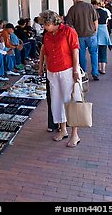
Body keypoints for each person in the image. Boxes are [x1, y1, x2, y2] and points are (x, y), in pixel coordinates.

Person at [38, 10, 82, 148]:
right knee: (57, 102)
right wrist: (41, 66)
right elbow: (44, 52)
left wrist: (75, 70)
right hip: (52, 71)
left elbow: (75, 50)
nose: (43, 27)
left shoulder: (68, 31)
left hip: (67, 70)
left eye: (45, 24)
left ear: (52, 22)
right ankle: (63, 129)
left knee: (72, 101)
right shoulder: (47, 35)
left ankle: (75, 134)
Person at [66, 0, 99, 81]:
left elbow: (69, 25)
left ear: (74, 0)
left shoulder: (72, 9)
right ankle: (95, 72)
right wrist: (96, 31)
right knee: (94, 53)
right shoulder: (90, 6)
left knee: (81, 55)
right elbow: (95, 20)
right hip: (91, 34)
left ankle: (84, 73)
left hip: (79, 36)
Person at [92, 1, 112, 74]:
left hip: (96, 32)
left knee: (96, 52)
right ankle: (103, 69)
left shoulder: (93, 12)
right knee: (103, 52)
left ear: (94, 5)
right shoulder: (105, 12)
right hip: (104, 32)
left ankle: (99, 68)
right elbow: (107, 21)